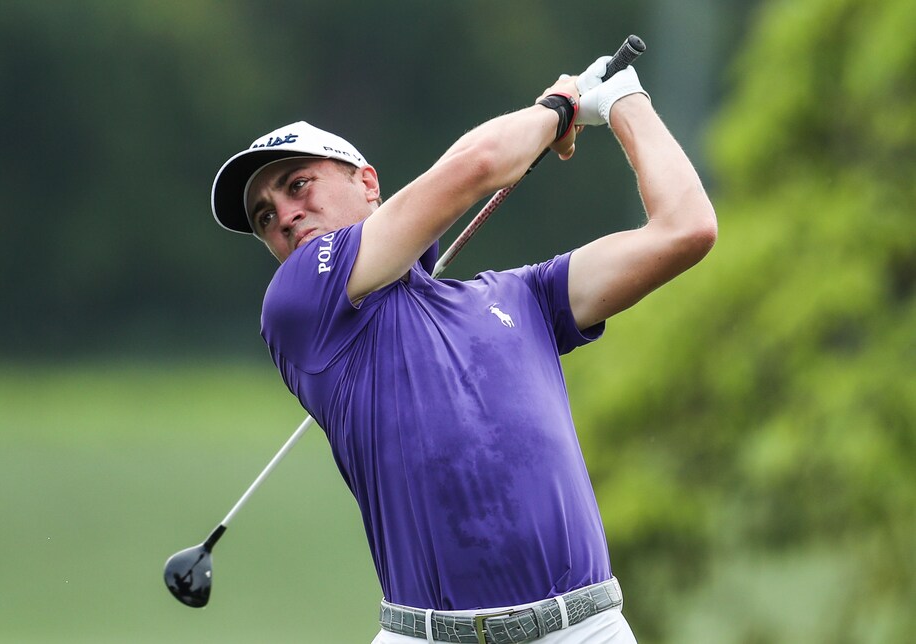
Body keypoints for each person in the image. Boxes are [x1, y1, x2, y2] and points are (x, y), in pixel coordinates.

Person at [209, 52, 716, 643]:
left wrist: (623, 100)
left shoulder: (521, 296)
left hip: (584, 629)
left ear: (367, 183)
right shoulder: (298, 302)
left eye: (299, 186)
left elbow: (686, 229)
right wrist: (561, 107)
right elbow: (478, 165)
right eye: (265, 216)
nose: (286, 217)